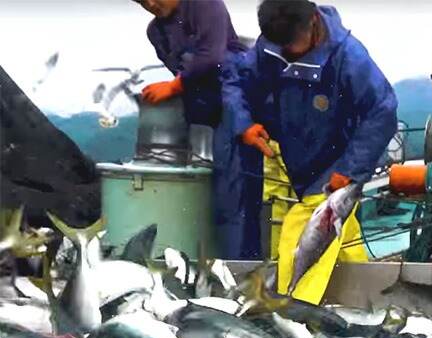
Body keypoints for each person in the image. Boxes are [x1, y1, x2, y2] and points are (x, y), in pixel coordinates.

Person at [223, 0, 398, 305]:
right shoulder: (270, 48)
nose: (288, 50)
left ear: (313, 22)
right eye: (282, 44)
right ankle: (371, 304)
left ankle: (292, 315)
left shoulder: (348, 56)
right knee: (341, 237)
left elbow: (382, 110)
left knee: (301, 230)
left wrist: (352, 169)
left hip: (338, 163)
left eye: (293, 42)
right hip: (295, 157)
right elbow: (234, 80)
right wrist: (244, 125)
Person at [132, 0, 256, 259]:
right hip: (202, 111)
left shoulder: (204, 4)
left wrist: (175, 86)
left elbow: (212, 57)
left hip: (233, 100)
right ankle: (213, 263)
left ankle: (241, 269)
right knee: (210, 196)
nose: (152, 4)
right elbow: (180, 71)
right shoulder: (155, 32)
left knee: (235, 196)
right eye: (143, 2)